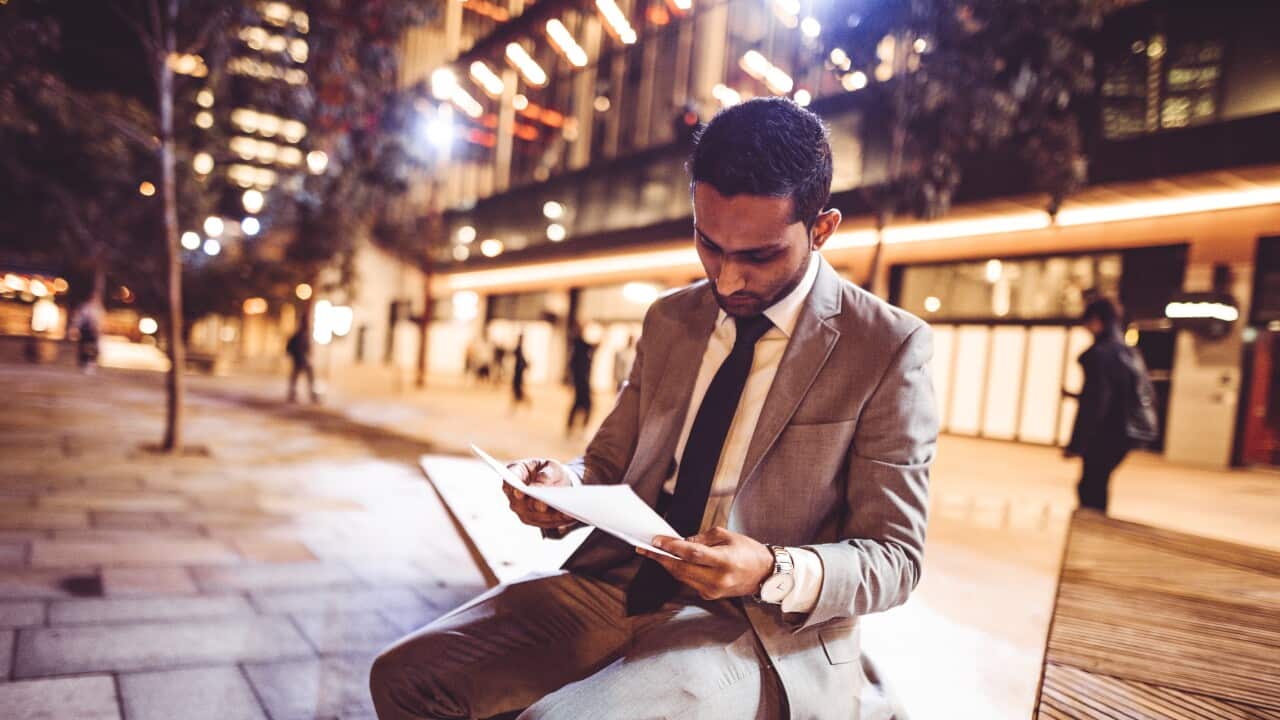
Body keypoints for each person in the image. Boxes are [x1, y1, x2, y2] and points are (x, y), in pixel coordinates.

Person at [371, 97, 936, 720]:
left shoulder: (885, 345)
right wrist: (563, 487)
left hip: (762, 631)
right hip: (622, 586)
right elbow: (607, 464)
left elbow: (896, 558)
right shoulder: (671, 318)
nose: (726, 280)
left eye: (758, 256)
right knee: (404, 676)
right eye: (709, 244)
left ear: (822, 229)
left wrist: (772, 569)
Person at [1064, 297, 1157, 513]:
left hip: (1105, 432)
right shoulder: (1129, 352)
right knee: (1097, 484)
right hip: (1126, 433)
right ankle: (1094, 532)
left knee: (1090, 488)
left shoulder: (1099, 355)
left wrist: (1076, 444)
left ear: (1096, 321)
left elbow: (1096, 404)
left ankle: (1090, 537)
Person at [564, 324, 596, 435]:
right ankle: (580, 427)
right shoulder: (579, 344)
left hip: (581, 380)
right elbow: (591, 346)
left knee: (579, 404)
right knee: (586, 404)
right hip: (581, 381)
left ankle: (573, 427)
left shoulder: (577, 345)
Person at [285, 320, 318, 403]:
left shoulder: (301, 336)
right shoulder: (300, 336)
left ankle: (293, 394)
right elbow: (292, 348)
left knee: (298, 377)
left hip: (300, 360)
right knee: (301, 376)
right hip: (300, 360)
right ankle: (294, 394)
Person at [511, 334, 530, 410]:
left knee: (518, 390)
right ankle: (514, 407)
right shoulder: (519, 348)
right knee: (517, 391)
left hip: (518, 374)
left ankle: (526, 403)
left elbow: (521, 361)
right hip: (518, 373)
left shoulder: (519, 348)